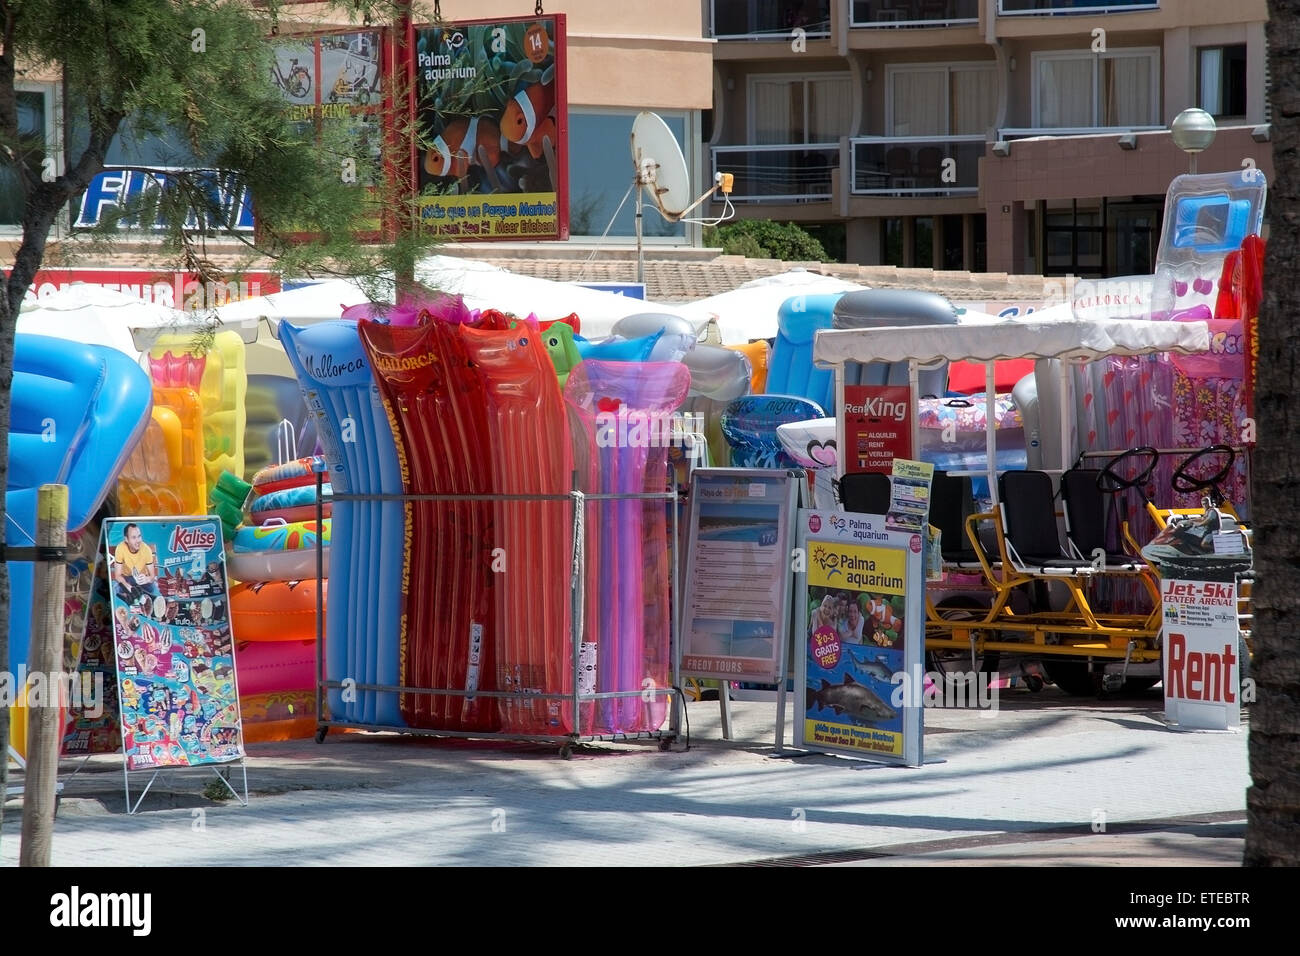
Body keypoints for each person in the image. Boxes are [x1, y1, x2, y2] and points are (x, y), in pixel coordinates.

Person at [112, 523, 159, 605]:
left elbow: (152, 576)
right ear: (126, 539)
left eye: (139, 536)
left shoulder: (146, 550)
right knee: (117, 588)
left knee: (153, 587)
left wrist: (147, 579)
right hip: (127, 578)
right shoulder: (120, 548)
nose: (138, 541)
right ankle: (132, 602)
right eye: (134, 537)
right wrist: (127, 586)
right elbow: (117, 575)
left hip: (142, 578)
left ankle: (141, 601)